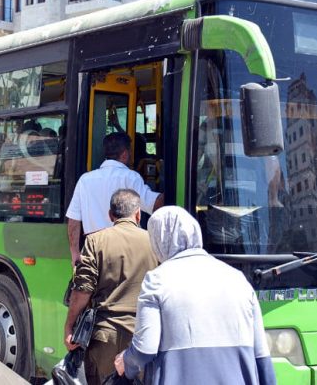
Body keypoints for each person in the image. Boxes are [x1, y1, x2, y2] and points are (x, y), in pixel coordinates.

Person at [113, 206, 276, 385]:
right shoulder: (238, 279)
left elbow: (145, 348)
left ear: (158, 240)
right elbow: (262, 356)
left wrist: (126, 362)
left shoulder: (157, 280)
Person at [64, 189, 158, 385]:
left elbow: (83, 290)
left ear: (110, 215)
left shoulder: (95, 241)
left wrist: (69, 326)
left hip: (104, 337)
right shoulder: (154, 242)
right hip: (142, 338)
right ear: (138, 213)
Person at [66, 132, 164, 265]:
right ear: (124, 154)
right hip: (125, 255)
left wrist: (75, 253)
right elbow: (153, 204)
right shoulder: (130, 177)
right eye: (130, 153)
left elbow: (73, 221)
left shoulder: (85, 180)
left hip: (94, 254)